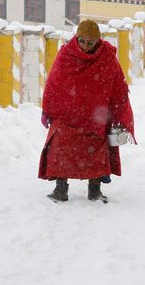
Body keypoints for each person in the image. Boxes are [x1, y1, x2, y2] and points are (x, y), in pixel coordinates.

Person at [38, 19, 135, 203]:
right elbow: (53, 83)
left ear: (98, 40)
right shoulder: (66, 54)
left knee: (96, 151)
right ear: (77, 38)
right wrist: (47, 110)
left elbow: (118, 87)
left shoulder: (106, 57)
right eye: (81, 40)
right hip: (67, 116)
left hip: (95, 118)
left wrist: (119, 115)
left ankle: (95, 190)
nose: (85, 46)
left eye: (90, 42)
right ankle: (60, 189)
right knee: (60, 147)